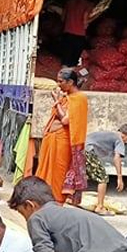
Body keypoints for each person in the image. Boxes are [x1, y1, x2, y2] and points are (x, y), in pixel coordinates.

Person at [35, 68, 88, 204]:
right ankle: (44, 199)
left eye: (61, 82)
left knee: (58, 174)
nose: (58, 85)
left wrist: (57, 101)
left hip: (62, 141)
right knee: (46, 172)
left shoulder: (79, 99)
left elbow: (65, 120)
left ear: (70, 82)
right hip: (53, 139)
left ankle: (57, 201)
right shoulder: (67, 97)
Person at [85, 124, 127, 215]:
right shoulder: (119, 140)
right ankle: (100, 207)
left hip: (79, 148)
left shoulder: (109, 134)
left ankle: (71, 197)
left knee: (82, 175)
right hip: (88, 151)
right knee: (103, 178)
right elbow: (117, 158)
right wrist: (119, 178)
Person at [58, 0, 94, 68]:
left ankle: (62, 77)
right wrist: (86, 24)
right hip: (79, 34)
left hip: (67, 32)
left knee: (66, 58)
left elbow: (63, 18)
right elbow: (85, 17)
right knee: (74, 59)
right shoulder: (88, 4)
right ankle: (68, 78)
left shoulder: (69, 2)